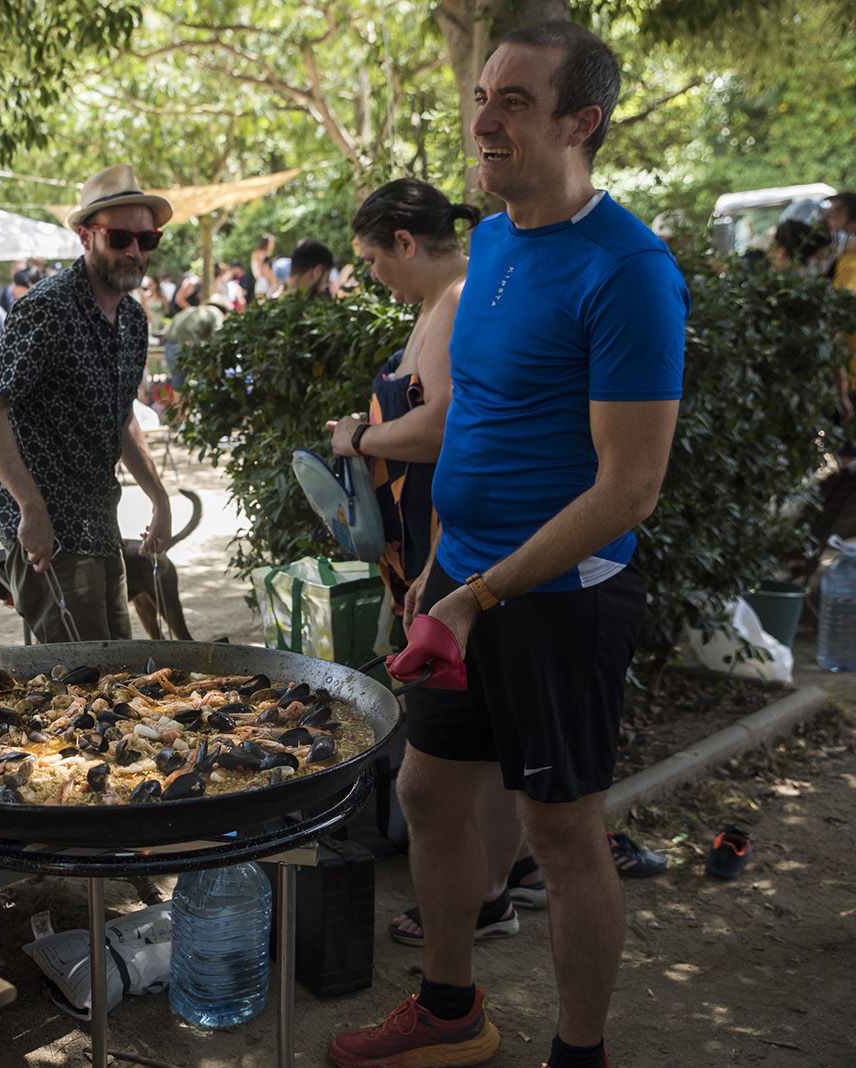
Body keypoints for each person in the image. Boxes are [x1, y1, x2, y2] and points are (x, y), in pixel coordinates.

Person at [328, 23, 688, 1068]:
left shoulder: (627, 271)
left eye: (515, 101)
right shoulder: (489, 247)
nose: (481, 119)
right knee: (428, 792)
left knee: (560, 836)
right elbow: (472, 423)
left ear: (582, 123)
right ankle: (449, 1011)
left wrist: (473, 597)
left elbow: (630, 488)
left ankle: (579, 1054)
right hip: (462, 583)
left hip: (559, 601)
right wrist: (437, 568)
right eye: (482, 94)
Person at [324, 178, 546, 947]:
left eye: (373, 260)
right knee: (474, 731)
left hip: (449, 547)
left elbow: (453, 429)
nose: (371, 276)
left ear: (407, 244)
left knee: (467, 742)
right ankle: (504, 873)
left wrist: (359, 440)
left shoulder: (456, 301)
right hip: (420, 545)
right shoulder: (437, 302)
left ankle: (486, 893)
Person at [0, 164, 175, 642]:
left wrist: (159, 497)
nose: (134, 251)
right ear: (86, 237)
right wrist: (30, 506)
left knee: (120, 674)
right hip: (49, 530)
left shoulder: (132, 319)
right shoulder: (47, 308)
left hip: (101, 518)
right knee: (79, 686)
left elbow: (121, 417)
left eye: (148, 240)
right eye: (120, 237)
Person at [159, 290, 229, 392]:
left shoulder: (195, 309)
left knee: (178, 382)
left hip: (170, 343)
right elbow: (218, 336)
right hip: (187, 344)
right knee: (201, 381)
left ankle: (179, 406)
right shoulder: (216, 312)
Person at [251, 233, 279, 299]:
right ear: (266, 243)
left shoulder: (270, 255)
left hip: (271, 282)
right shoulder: (258, 254)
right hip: (264, 282)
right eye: (271, 243)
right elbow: (259, 271)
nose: (273, 245)